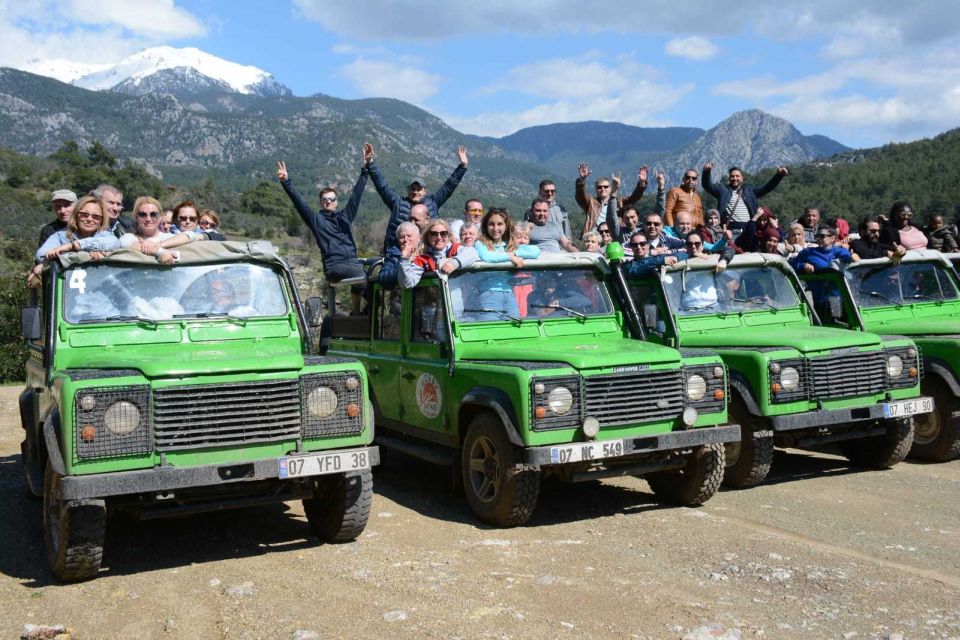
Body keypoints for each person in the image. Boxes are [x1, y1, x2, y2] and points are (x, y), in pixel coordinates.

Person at [278, 155, 369, 314]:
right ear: (321, 202)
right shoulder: (316, 220)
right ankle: (355, 313)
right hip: (335, 266)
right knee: (361, 279)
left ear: (336, 202)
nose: (328, 202)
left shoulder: (345, 217)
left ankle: (369, 317)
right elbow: (300, 203)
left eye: (331, 199)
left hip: (352, 263)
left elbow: (356, 196)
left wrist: (365, 170)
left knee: (374, 285)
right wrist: (286, 182)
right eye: (324, 199)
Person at [368, 142, 468, 254]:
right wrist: (370, 163)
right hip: (399, 254)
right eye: (413, 188)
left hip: (428, 255)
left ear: (425, 190)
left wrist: (462, 166)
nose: (415, 192)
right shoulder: (398, 203)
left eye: (419, 189)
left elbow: (449, 186)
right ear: (408, 190)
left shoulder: (433, 202)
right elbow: (382, 187)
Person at [30, 195, 120, 285]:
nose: (89, 219)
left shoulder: (106, 236)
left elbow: (114, 243)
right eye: (84, 214)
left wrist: (71, 246)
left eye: (96, 216)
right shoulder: (60, 237)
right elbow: (41, 255)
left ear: (101, 220)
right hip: (67, 291)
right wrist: (88, 254)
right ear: (76, 215)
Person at [473, 209, 540, 320]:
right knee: (490, 329)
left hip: (509, 294)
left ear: (506, 226)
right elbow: (487, 257)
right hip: (489, 293)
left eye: (500, 224)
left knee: (514, 330)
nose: (495, 228)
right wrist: (510, 257)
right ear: (486, 225)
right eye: (491, 224)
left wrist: (513, 253)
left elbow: (535, 251)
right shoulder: (480, 243)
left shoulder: (509, 245)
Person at [702, 163, 787, 238]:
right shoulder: (722, 190)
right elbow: (707, 186)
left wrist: (779, 176)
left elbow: (767, 187)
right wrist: (707, 172)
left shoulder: (750, 191)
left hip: (749, 228)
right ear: (729, 178)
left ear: (742, 178)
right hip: (730, 229)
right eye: (732, 176)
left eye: (737, 176)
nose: (735, 178)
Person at [119, 196, 202, 264]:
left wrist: (158, 245)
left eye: (153, 214)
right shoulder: (129, 237)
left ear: (160, 217)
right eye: (142, 214)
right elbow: (124, 243)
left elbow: (191, 235)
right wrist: (159, 252)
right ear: (136, 218)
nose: (148, 219)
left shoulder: (168, 237)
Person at [398, 219, 478, 288]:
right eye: (434, 234)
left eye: (443, 233)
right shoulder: (422, 260)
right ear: (428, 237)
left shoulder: (455, 249)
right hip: (433, 302)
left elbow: (473, 253)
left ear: (448, 235)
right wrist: (404, 259)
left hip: (459, 302)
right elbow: (407, 283)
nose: (439, 237)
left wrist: (454, 263)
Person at [576, 163, 649, 237]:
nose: (602, 189)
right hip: (594, 238)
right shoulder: (591, 202)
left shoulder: (619, 202)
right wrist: (581, 180)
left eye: (606, 187)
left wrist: (641, 183)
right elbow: (580, 196)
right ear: (595, 189)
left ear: (610, 188)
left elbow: (634, 198)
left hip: (614, 236)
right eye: (599, 187)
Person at [790, 226, 858, 273]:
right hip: (815, 292)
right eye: (817, 236)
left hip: (838, 291)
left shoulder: (838, 251)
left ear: (832, 238)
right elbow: (791, 265)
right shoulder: (808, 252)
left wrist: (853, 257)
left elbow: (848, 257)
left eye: (822, 236)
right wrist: (803, 265)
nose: (819, 239)